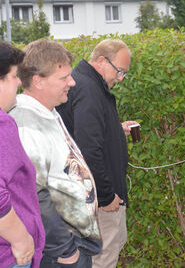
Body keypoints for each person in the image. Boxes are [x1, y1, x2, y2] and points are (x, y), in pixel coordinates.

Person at [9, 40, 102, 268]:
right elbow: (33, 192)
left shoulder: (49, 112)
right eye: (63, 78)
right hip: (60, 254)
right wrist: (64, 250)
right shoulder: (25, 123)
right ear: (38, 81)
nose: (72, 82)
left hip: (73, 245)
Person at [57, 39, 138, 268]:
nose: (120, 79)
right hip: (99, 199)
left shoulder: (85, 83)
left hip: (93, 195)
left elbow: (85, 132)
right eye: (119, 71)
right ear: (102, 61)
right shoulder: (90, 90)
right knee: (103, 259)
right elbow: (88, 149)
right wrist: (105, 195)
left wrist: (116, 129)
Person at [0, 41, 45, 268]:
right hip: (9, 255)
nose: (19, 82)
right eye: (14, 75)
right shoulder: (2, 125)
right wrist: (21, 239)